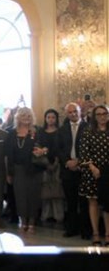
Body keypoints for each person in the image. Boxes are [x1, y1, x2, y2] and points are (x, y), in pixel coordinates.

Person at [5, 107, 48, 233]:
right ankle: (23, 221)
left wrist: (43, 150)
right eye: (24, 116)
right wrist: (8, 173)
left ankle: (32, 223)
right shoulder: (12, 133)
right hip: (18, 169)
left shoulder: (38, 131)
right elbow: (7, 155)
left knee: (34, 196)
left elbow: (47, 147)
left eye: (29, 116)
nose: (27, 118)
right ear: (18, 118)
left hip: (34, 169)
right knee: (20, 196)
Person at [58, 102, 91, 239]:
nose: (73, 114)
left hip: (83, 169)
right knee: (70, 202)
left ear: (80, 112)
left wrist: (78, 161)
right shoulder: (62, 129)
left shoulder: (88, 127)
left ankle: (85, 230)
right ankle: (71, 229)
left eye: (75, 111)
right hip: (67, 170)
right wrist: (67, 162)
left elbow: (90, 148)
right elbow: (58, 149)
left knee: (84, 202)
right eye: (70, 112)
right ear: (67, 114)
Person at [78, 105, 109, 246]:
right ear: (94, 116)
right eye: (99, 114)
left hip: (108, 172)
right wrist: (92, 167)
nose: (102, 116)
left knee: (107, 204)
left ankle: (108, 234)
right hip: (92, 172)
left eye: (105, 114)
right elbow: (84, 152)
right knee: (93, 202)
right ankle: (96, 233)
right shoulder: (88, 131)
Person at [39, 109, 64, 224]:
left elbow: (62, 148)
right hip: (44, 165)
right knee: (45, 191)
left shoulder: (61, 131)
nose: (50, 119)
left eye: (53, 117)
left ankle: (58, 215)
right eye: (48, 117)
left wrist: (56, 162)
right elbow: (38, 148)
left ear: (56, 119)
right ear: (45, 119)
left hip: (57, 164)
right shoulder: (41, 132)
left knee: (57, 191)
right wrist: (46, 163)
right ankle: (46, 215)